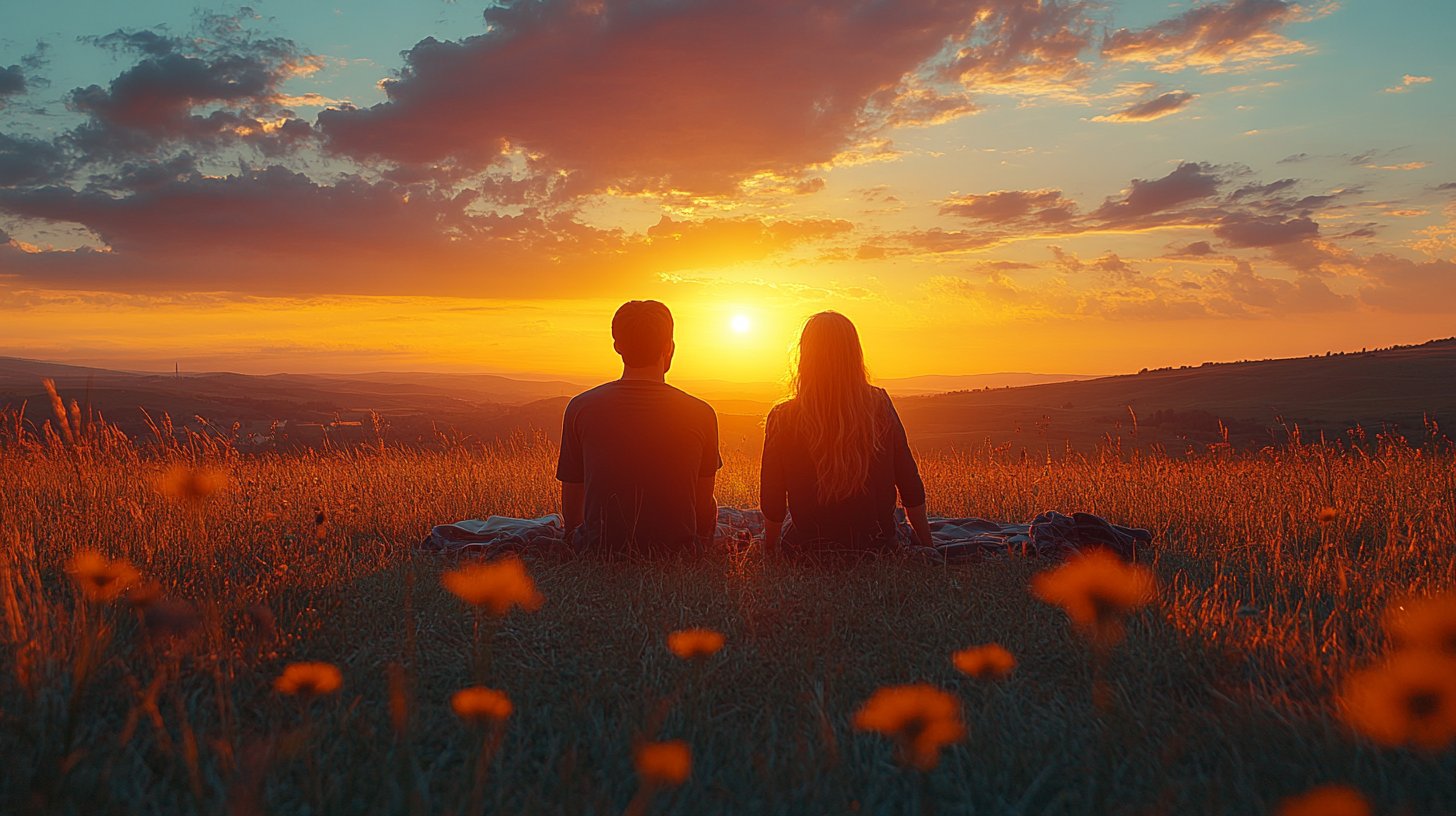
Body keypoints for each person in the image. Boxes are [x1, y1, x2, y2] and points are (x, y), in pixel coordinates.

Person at [759, 311, 933, 559]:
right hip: (877, 544)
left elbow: (772, 497)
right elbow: (908, 480)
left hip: (809, 546)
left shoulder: (783, 416)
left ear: (805, 357)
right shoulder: (879, 405)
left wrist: (770, 549)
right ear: (854, 355)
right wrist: (927, 543)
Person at [556, 300, 721, 557]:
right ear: (670, 347)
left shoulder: (580, 408)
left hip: (598, 548)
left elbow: (573, 492)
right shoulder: (701, 413)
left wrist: (573, 538)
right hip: (678, 550)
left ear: (617, 347)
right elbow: (702, 502)